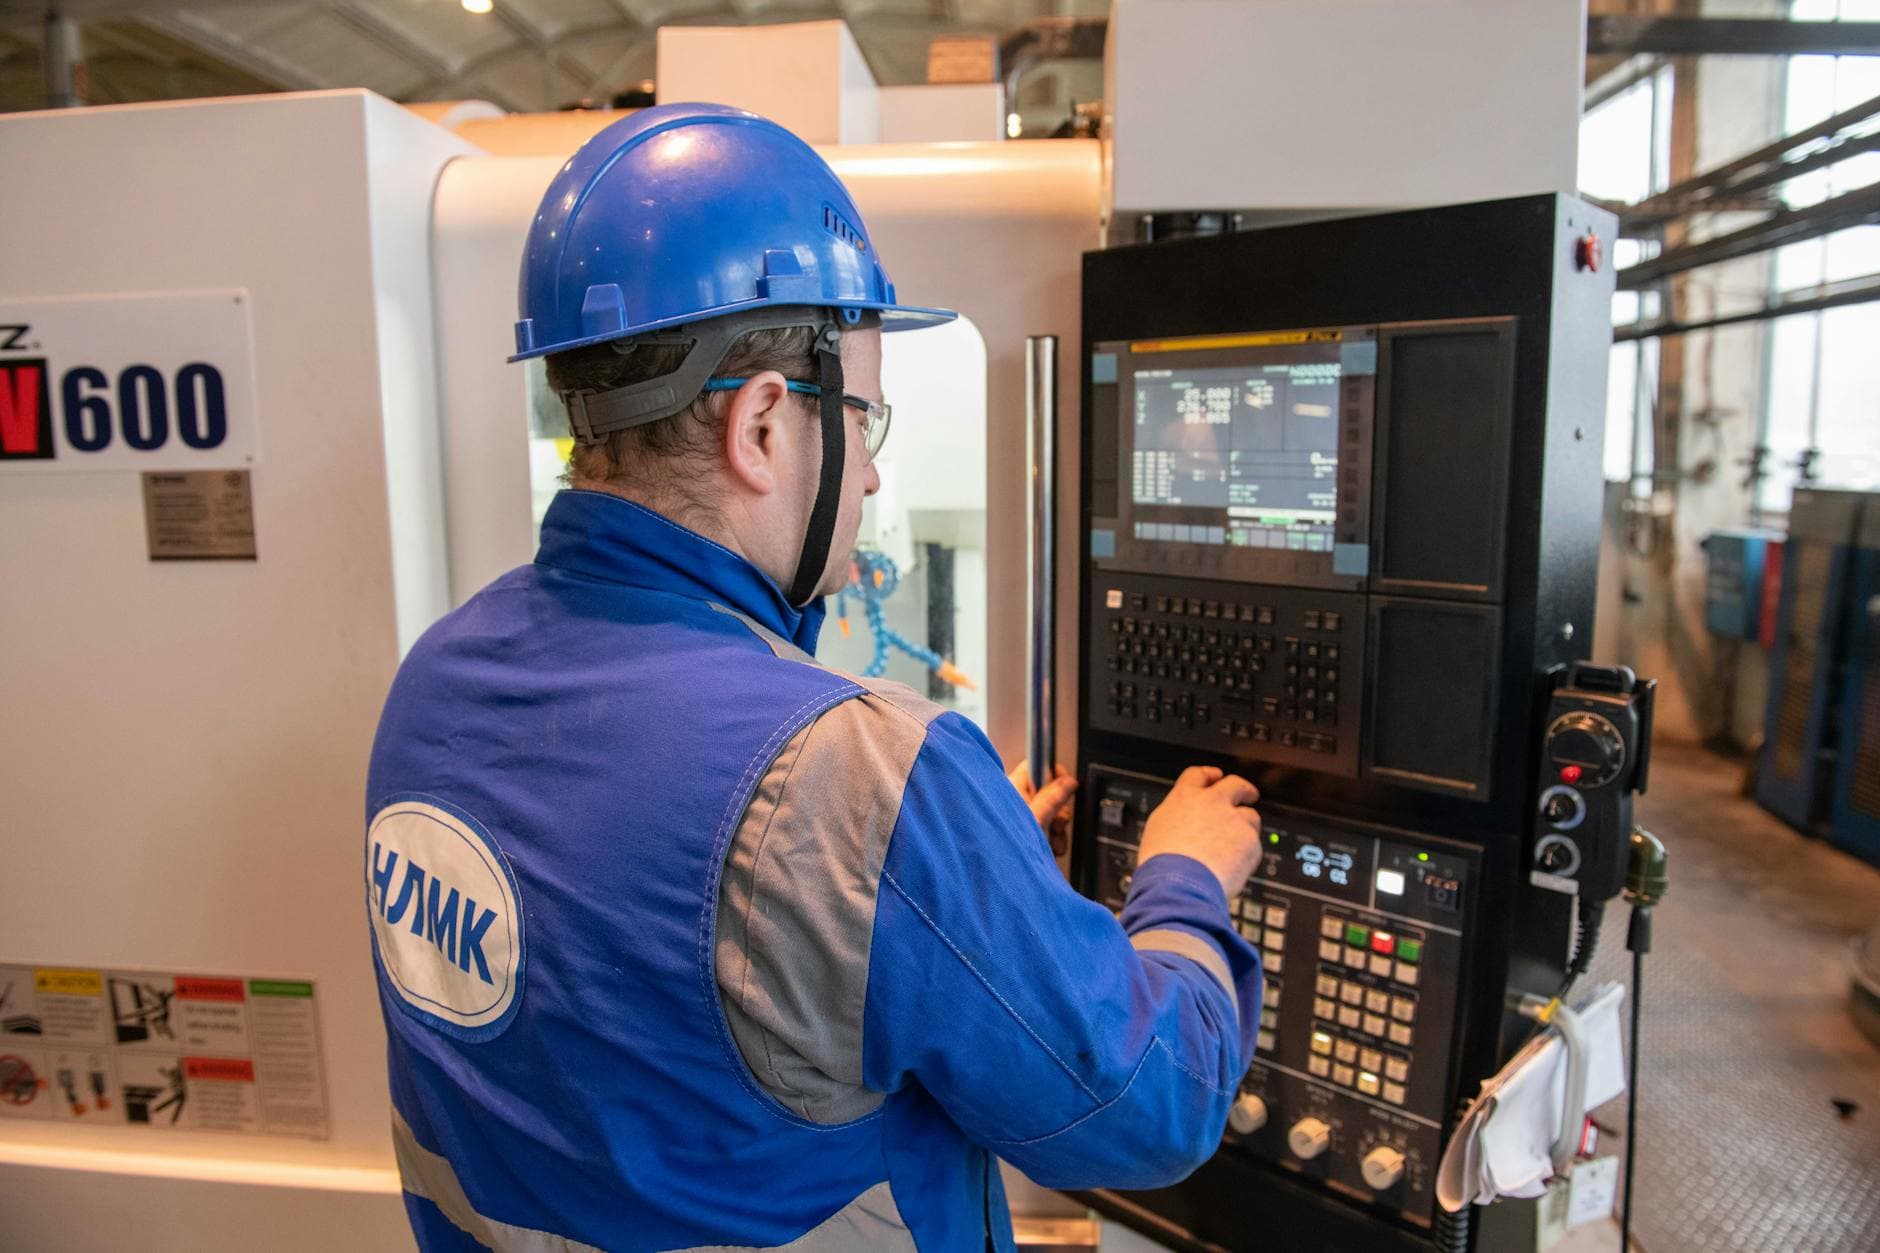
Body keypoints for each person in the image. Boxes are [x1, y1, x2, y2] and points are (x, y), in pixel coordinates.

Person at [364, 103, 1265, 1253]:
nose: (873, 476)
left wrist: (955, 880)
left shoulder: (434, 681)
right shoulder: (868, 778)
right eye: (863, 419)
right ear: (760, 425)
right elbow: (1154, 1104)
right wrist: (1183, 879)